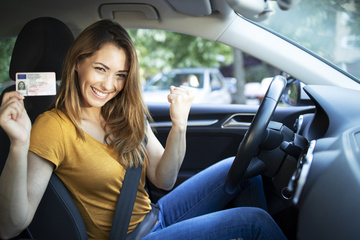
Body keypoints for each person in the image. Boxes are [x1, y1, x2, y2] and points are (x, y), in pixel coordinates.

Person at [0, 20, 287, 240]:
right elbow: (12, 226)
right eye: (100, 69)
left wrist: (179, 124)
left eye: (120, 75)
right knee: (254, 223)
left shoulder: (121, 111)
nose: (108, 85)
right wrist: (17, 144)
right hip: (129, 236)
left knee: (244, 170)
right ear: (77, 63)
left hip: (154, 216)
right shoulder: (52, 126)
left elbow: (164, 179)